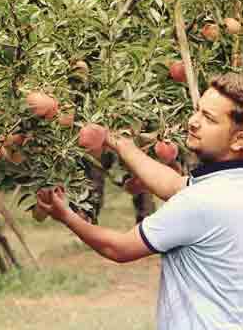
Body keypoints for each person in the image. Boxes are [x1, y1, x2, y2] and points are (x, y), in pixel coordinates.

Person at [36, 72, 243, 329]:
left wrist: (66, 216)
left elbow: (119, 248)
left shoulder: (201, 201)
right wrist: (120, 143)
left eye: (209, 119)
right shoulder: (228, 186)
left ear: (239, 139)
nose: (193, 121)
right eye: (198, 111)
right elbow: (173, 185)